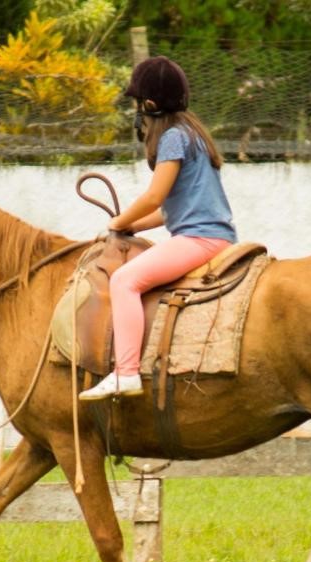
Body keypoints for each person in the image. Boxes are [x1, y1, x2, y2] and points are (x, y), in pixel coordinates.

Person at [79, 55, 238, 401]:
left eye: (137, 104)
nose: (136, 111)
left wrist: (116, 223)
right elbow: (170, 210)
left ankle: (126, 373)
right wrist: (133, 227)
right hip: (215, 237)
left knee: (124, 280)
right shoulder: (193, 133)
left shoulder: (172, 139)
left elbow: (154, 197)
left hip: (199, 240)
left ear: (149, 104)